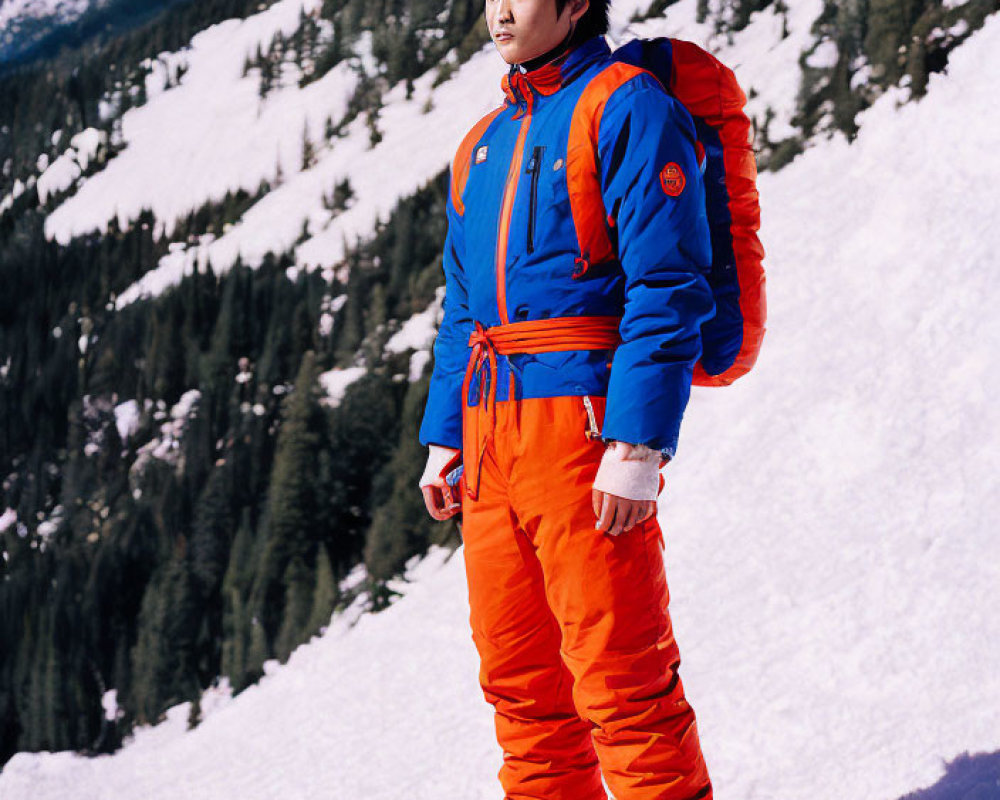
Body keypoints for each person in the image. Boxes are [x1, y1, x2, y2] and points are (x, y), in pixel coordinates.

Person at [418, 0, 717, 797]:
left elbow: (668, 285)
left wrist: (637, 445)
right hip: (488, 441)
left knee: (624, 684)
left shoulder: (628, 106)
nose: (500, 11)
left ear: (577, 3)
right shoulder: (482, 141)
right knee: (523, 694)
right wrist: (446, 434)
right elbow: (463, 304)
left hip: (581, 431)